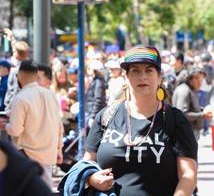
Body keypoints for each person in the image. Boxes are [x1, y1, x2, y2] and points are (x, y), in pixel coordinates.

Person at [83, 45, 198, 196]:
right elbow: (87, 163)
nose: (142, 76)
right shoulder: (106, 116)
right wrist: (91, 178)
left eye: (149, 70)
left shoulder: (175, 120)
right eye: (135, 70)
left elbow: (188, 175)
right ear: (126, 77)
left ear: (159, 77)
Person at [0, 61, 64, 188]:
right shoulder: (50, 95)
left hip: (26, 153)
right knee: (45, 188)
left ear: (19, 76)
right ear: (36, 76)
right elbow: (59, 125)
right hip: (47, 152)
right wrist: (59, 148)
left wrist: (3, 126)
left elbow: (15, 130)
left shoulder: (20, 98)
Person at [172, 67, 212, 141]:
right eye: (197, 78)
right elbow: (182, 114)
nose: (200, 82)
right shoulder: (184, 91)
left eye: (201, 79)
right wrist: (201, 115)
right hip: (185, 134)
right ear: (190, 78)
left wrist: (202, 110)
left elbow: (191, 107)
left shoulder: (191, 90)